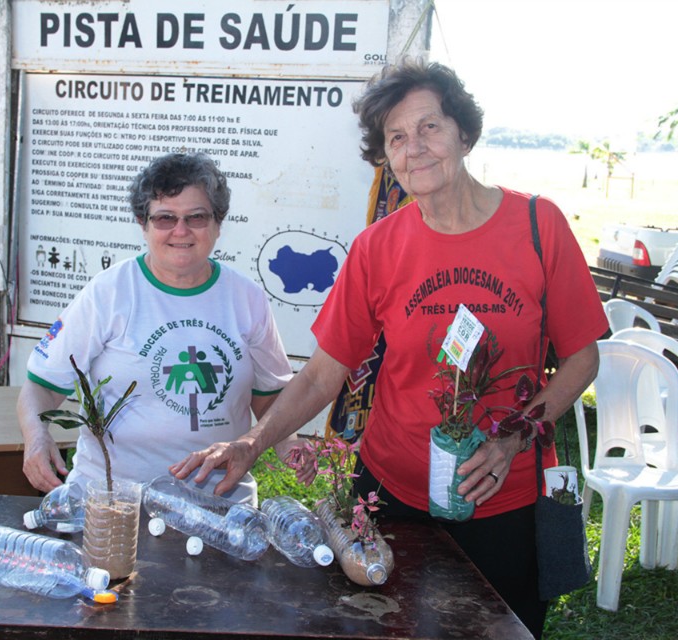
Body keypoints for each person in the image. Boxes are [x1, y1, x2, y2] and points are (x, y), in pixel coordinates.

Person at [171, 60, 607, 638]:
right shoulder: (378, 246)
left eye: (429, 127)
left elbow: (582, 358)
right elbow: (325, 373)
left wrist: (513, 439)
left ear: (465, 133)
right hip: (389, 496)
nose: (414, 148)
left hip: (504, 497)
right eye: (396, 138)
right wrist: (253, 442)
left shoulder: (538, 225)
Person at [17, 152, 294, 505]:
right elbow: (41, 386)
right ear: (142, 223)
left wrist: (289, 443)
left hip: (219, 501)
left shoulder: (247, 298)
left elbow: (270, 396)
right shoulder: (108, 293)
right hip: (113, 498)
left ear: (218, 224)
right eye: (165, 218)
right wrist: (37, 436)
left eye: (196, 217)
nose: (181, 231)